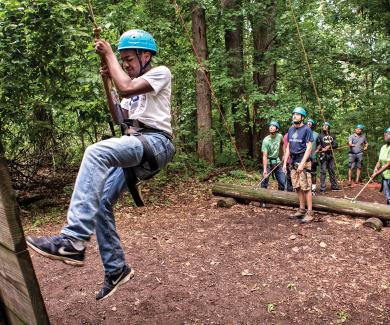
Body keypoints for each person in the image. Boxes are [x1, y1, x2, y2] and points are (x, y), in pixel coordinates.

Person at [25, 29, 175, 300]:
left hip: (156, 142)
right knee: (101, 204)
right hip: (137, 144)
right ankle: (117, 269)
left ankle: (73, 239)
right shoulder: (133, 87)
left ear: (146, 55)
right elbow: (119, 114)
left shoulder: (160, 73)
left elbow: (126, 87)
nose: (126, 64)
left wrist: (108, 55)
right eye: (123, 59)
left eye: (129, 58)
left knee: (95, 152)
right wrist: (107, 81)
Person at [283, 107, 314, 223]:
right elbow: (288, 147)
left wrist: (302, 163)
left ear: (302, 117)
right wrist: (286, 162)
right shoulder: (290, 129)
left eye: (297, 114)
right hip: (293, 161)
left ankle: (310, 213)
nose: (294, 116)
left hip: (303, 161)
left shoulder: (307, 130)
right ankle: (301, 210)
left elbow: (309, 147)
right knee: (297, 186)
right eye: (293, 114)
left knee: (306, 187)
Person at [261, 121, 285, 191]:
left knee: (282, 181)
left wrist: (284, 153)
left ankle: (280, 198)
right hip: (268, 162)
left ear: (277, 129)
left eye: (273, 126)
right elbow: (264, 156)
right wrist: (265, 170)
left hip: (277, 161)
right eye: (270, 126)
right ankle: (262, 200)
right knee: (264, 181)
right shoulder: (266, 140)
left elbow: (283, 143)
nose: (271, 127)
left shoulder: (279, 136)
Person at [317, 121, 341, 193]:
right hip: (323, 155)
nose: (324, 126)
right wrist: (321, 149)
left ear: (328, 127)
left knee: (332, 170)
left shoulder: (332, 135)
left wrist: (329, 146)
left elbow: (336, 145)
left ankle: (334, 186)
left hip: (330, 154)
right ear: (322, 127)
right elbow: (318, 145)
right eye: (323, 125)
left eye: (326, 125)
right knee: (323, 171)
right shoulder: (320, 136)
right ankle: (322, 188)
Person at [371, 127, 390, 205]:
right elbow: (379, 161)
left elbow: (389, 164)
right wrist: (376, 168)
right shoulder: (383, 147)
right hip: (385, 176)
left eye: (388, 134)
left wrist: (377, 173)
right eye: (385, 134)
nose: (385, 135)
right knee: (388, 196)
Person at [307, 118, 319, 195]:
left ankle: (313, 189)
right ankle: (307, 189)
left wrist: (317, 150)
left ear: (312, 125)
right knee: (305, 173)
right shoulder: (303, 132)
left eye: (310, 123)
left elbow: (320, 143)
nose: (309, 124)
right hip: (304, 157)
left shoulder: (316, 134)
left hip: (313, 156)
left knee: (313, 173)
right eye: (308, 122)